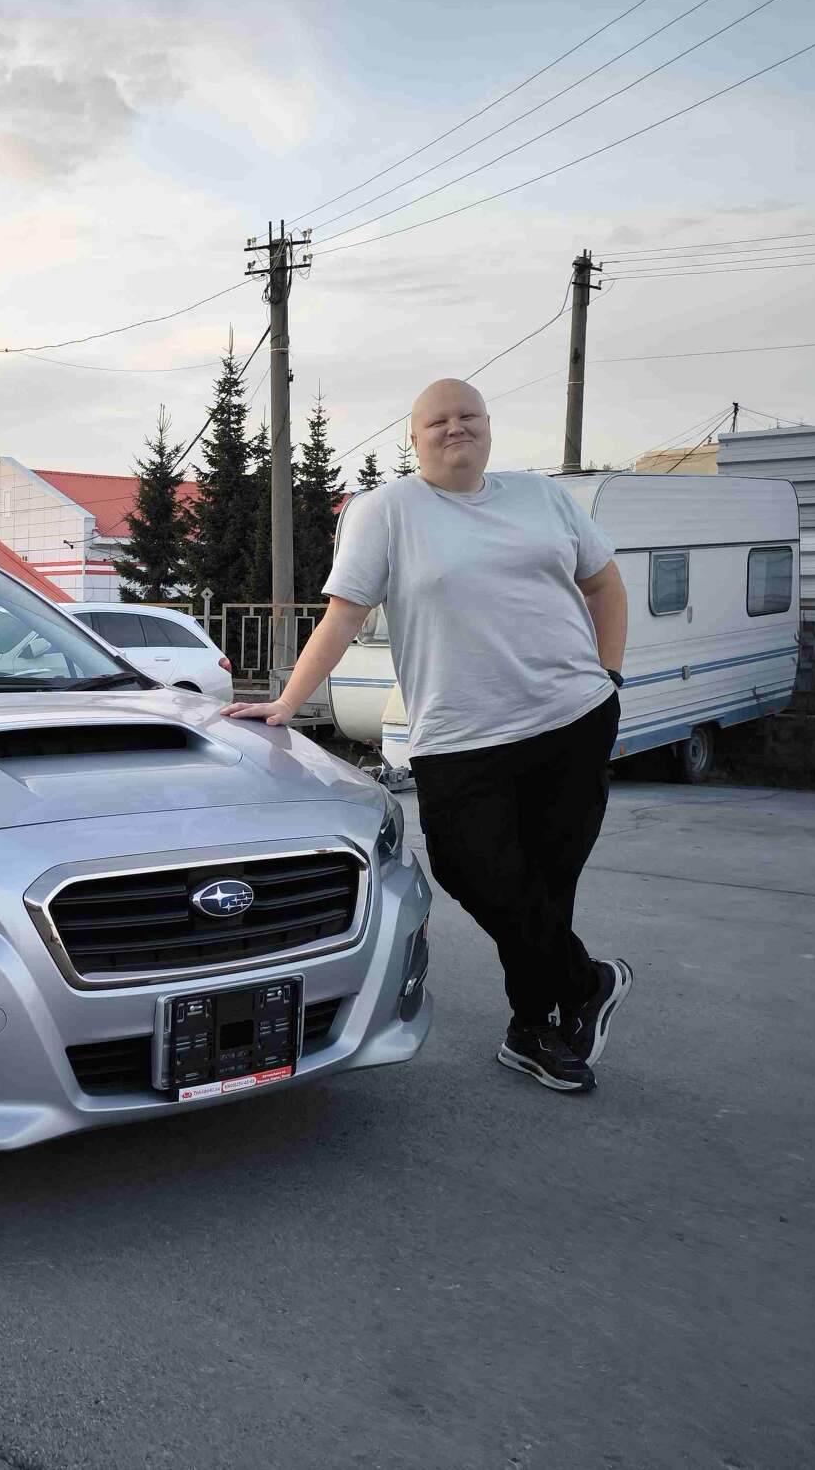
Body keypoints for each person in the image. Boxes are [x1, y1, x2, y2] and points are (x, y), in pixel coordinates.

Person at [223, 377, 633, 1093]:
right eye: (437, 420)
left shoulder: (541, 497)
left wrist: (611, 674)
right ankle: (587, 982)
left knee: (545, 886)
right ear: (413, 439)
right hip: (459, 735)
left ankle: (533, 1029)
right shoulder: (387, 511)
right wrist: (287, 700)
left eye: (468, 415)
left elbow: (605, 584)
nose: (455, 428)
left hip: (572, 720)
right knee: (471, 870)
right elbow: (345, 613)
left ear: (488, 426)